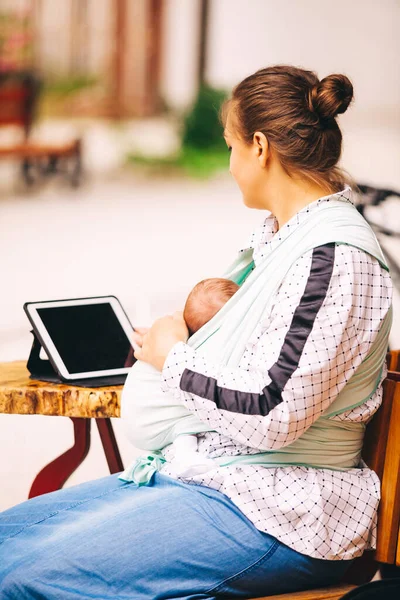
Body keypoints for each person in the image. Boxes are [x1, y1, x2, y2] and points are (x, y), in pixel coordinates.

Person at [0, 65, 392, 599]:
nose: (230, 166)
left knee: (29, 583)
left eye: (230, 147)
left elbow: (273, 413)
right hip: (213, 478)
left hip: (284, 513)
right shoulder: (283, 242)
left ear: (259, 147)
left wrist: (171, 357)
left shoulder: (333, 259)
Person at [121, 277, 240, 480]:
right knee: (192, 420)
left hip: (139, 416)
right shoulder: (202, 350)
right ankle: (186, 457)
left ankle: (183, 457)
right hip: (159, 419)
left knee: (186, 423)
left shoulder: (173, 333)